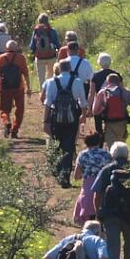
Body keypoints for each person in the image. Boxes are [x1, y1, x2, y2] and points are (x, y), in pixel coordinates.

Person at [41, 48, 90, 185]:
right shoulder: (77, 81)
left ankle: (57, 170)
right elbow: (83, 102)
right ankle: (65, 176)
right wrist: (83, 116)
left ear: (59, 68)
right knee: (68, 147)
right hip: (72, 117)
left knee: (56, 144)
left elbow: (48, 103)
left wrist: (45, 121)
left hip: (55, 117)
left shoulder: (51, 82)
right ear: (70, 69)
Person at [90, 70, 130, 147]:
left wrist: (104, 108)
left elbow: (95, 111)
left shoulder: (102, 92)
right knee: (121, 146)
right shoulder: (125, 91)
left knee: (112, 148)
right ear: (119, 82)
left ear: (107, 82)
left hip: (109, 124)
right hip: (122, 123)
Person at [0, 37, 30, 138]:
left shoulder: (1, 58)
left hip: (4, 87)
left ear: (6, 48)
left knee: (4, 109)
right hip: (18, 87)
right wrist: (29, 88)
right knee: (20, 110)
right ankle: (15, 130)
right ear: (16, 48)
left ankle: (6, 123)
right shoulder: (21, 58)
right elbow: (26, 74)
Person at [73, 132, 112, 223]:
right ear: (99, 142)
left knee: (87, 214)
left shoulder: (83, 155)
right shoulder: (106, 154)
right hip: (103, 186)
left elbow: (76, 176)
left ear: (86, 142)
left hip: (88, 187)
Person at [28, 14, 60, 88]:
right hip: (51, 57)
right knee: (51, 77)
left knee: (41, 79)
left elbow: (32, 46)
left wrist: (33, 53)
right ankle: (51, 92)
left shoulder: (36, 31)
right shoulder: (52, 31)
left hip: (40, 58)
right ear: (47, 21)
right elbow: (57, 45)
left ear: (39, 21)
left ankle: (43, 94)